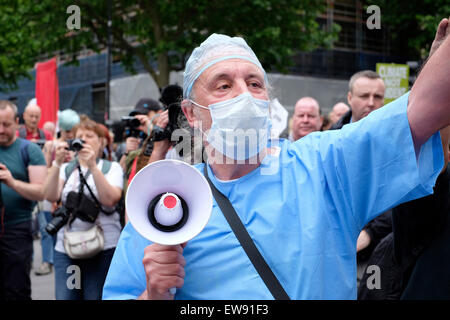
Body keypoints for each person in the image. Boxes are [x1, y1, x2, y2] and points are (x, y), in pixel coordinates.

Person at [103, 30, 449, 300]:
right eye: (223, 85)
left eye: (254, 83)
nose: (243, 94)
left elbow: (421, 110)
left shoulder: (324, 165)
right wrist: (154, 293)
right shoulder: (167, 201)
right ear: (191, 114)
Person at [43, 117, 123, 300]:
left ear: (101, 141)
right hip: (68, 248)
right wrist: (56, 163)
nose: (84, 140)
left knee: (95, 296)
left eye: (90, 136)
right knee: (67, 297)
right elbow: (50, 195)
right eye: (80, 136)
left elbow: (110, 199)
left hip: (103, 247)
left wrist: (93, 166)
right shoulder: (66, 168)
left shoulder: (112, 168)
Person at [0, 100, 47, 299]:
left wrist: (12, 182)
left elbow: (41, 192)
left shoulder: (30, 150)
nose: (1, 130)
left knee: (16, 289)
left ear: (17, 122)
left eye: (6, 124)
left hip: (16, 230)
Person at [35, 110, 81, 276]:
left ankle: (67, 255)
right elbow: (43, 169)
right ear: (61, 128)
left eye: (72, 130)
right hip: (52, 188)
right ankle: (48, 261)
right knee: (47, 228)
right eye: (67, 130)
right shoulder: (51, 144)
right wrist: (57, 160)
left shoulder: (77, 145)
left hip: (70, 193)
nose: (70, 134)